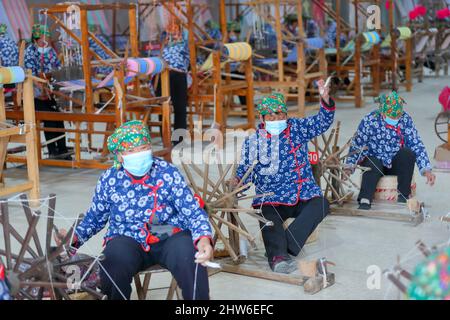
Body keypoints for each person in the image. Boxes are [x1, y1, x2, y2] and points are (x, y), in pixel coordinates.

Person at [56, 120, 213, 300]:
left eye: (144, 148)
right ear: (120, 156)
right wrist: (72, 238)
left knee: (190, 257)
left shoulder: (167, 172)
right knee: (112, 262)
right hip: (127, 237)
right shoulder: (110, 179)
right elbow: (95, 217)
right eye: (131, 151)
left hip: (171, 235)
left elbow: (192, 210)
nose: (139, 154)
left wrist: (203, 239)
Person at [232, 79, 335, 273]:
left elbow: (322, 122)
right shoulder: (254, 141)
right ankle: (278, 259)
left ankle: (285, 245)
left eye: (278, 114)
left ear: (286, 115)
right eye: (269, 116)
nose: (274, 119)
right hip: (271, 197)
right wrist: (236, 184)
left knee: (321, 204)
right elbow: (245, 170)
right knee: (268, 216)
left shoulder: (297, 128)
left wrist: (325, 98)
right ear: (262, 119)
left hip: (302, 192)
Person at [344, 91, 436, 210]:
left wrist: (426, 170)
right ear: (383, 112)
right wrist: (348, 167)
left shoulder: (405, 119)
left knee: (407, 153)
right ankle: (365, 198)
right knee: (372, 162)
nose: (396, 119)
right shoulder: (370, 120)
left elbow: (416, 144)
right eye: (392, 117)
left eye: (398, 116)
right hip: (375, 162)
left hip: (394, 163)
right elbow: (357, 145)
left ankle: (403, 194)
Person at [24, 24, 70, 159]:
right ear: (35, 40)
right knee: (50, 118)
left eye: (47, 39)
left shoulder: (50, 52)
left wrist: (58, 84)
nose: (46, 42)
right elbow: (29, 75)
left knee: (59, 119)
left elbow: (58, 69)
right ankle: (53, 151)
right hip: (35, 94)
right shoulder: (29, 52)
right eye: (43, 40)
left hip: (50, 91)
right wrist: (42, 87)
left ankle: (62, 150)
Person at [159, 27, 190, 139]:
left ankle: (178, 138)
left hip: (178, 74)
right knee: (163, 106)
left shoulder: (185, 41)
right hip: (163, 73)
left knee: (180, 108)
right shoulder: (164, 39)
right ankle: (165, 136)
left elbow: (187, 60)